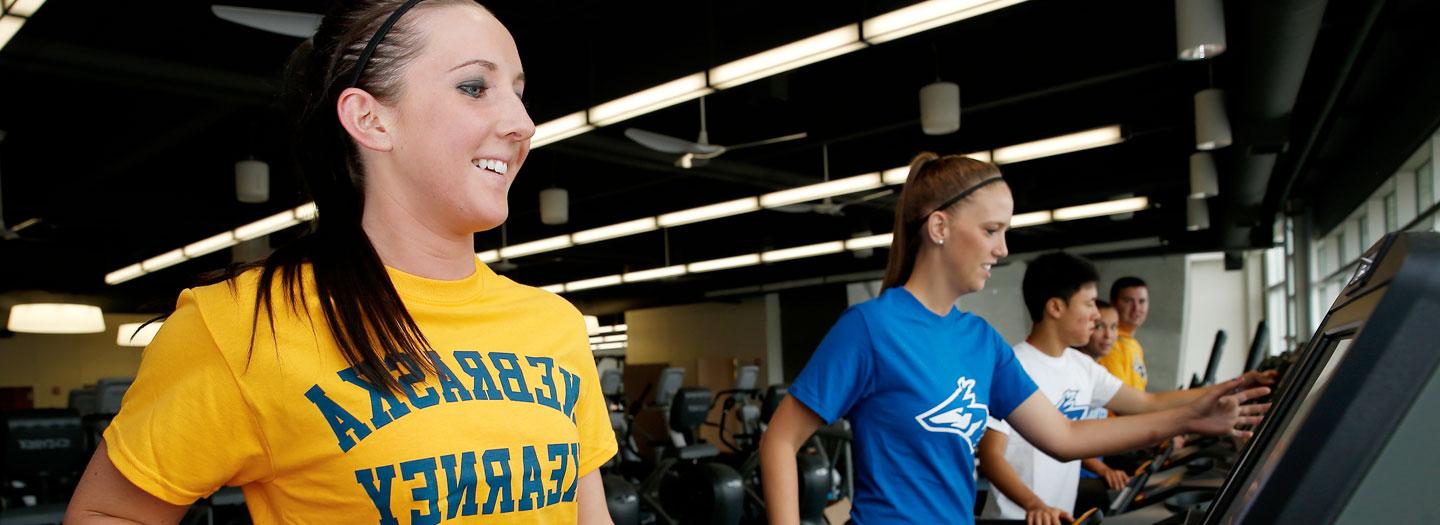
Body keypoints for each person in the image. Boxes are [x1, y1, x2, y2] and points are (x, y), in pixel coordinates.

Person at [65, 2, 617, 523]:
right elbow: (107, 513)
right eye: (475, 87)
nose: (522, 123)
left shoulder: (555, 325)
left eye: (519, 94)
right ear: (370, 119)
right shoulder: (243, 326)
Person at [758, 153, 1269, 525]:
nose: (1002, 249)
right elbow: (781, 441)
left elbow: (1065, 438)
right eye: (991, 230)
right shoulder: (871, 328)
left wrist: (1189, 417)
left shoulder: (980, 340)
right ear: (939, 227)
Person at [977, 254, 1274, 523]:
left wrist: (1232, 386)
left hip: (1058, 516)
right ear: (1055, 307)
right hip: (1018, 517)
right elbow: (991, 456)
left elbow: (1148, 402)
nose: (1097, 314)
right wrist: (1034, 505)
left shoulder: (1081, 366)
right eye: (1089, 303)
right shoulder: (1014, 367)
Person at [1097, 277, 1151, 391]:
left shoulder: (1134, 345)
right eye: (1128, 301)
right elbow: (1119, 400)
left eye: (1142, 301)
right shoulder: (1107, 343)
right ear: (1113, 303)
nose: (1136, 308)